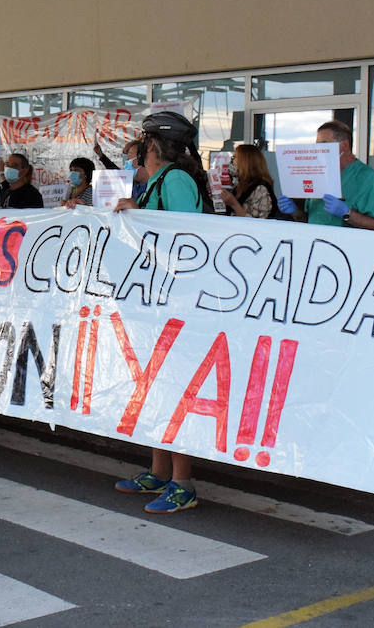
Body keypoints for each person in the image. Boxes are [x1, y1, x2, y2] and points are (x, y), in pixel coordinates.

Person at [111, 111, 207, 514]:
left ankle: (183, 482)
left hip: (177, 302)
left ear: (152, 147)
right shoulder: (159, 183)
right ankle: (158, 469)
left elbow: (188, 236)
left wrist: (140, 214)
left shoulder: (176, 180)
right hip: (156, 301)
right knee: (154, 386)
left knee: (174, 388)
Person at [276, 120, 374, 229]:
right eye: (317, 145)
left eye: (324, 144)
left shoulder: (366, 177)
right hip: (314, 245)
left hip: (344, 248)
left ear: (344, 146)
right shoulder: (318, 173)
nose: (319, 150)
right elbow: (310, 220)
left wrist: (347, 214)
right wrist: (294, 212)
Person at [115, 112, 204, 214]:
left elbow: (184, 226)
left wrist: (137, 213)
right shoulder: (158, 179)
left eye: (143, 140)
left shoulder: (175, 177)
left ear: (151, 145)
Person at [221, 144, 277, 218]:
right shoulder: (240, 186)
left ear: (245, 162)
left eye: (235, 157)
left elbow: (258, 223)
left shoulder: (260, 188)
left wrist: (234, 204)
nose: (232, 161)